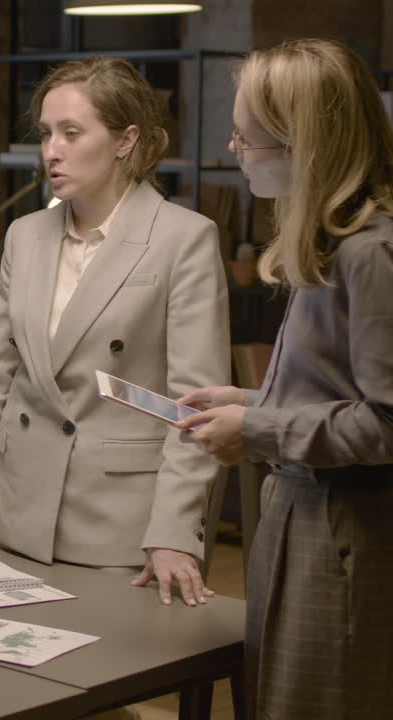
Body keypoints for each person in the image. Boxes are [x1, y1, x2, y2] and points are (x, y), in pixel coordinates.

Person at [0, 57, 229, 607]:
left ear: (127, 139)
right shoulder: (25, 237)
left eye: (72, 133)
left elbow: (192, 406)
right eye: (47, 133)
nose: (52, 150)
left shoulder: (184, 239)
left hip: (123, 527)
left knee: (102, 681)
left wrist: (173, 532)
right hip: (20, 511)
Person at [177, 38, 393, 719]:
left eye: (249, 139)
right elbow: (334, 387)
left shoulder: (371, 253)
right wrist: (249, 400)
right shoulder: (329, 241)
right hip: (297, 514)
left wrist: (260, 426)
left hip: (342, 532)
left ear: (308, 144)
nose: (235, 152)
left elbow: (386, 422)